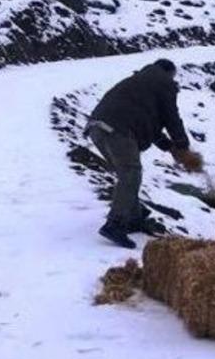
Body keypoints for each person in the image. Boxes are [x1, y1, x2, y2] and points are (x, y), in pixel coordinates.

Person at [86, 59, 202, 249]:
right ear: (169, 73)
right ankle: (114, 224)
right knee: (131, 173)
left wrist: (170, 148)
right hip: (117, 128)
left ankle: (133, 218)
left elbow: (150, 125)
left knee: (127, 174)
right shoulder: (164, 83)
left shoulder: (141, 82)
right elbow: (172, 118)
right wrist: (183, 147)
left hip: (97, 128)